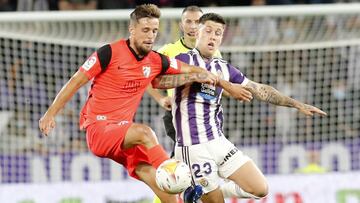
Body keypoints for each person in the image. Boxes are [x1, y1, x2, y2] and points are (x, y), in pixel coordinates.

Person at [39, 4, 219, 203]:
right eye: (145, 30)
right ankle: (185, 186)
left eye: (154, 31)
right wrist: (50, 113)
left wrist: (204, 74)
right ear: (132, 29)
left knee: (149, 173)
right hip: (99, 129)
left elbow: (184, 67)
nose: (150, 36)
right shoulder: (108, 53)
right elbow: (75, 81)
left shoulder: (155, 60)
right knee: (145, 133)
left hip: (123, 134)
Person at [167, 13, 327, 203]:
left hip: (218, 141)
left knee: (260, 188)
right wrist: (195, 76)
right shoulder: (183, 59)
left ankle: (202, 190)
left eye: (218, 33)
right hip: (193, 146)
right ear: (197, 32)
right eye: (208, 31)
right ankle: (203, 190)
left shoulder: (224, 67)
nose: (213, 37)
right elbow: (160, 81)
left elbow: (259, 89)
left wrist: (297, 104)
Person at [147, 5, 222, 158]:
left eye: (197, 22)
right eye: (188, 21)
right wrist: (160, 98)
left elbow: (219, 86)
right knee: (189, 159)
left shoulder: (214, 52)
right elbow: (145, 75)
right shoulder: (168, 51)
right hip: (178, 113)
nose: (193, 26)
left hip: (206, 115)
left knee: (197, 160)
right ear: (181, 25)